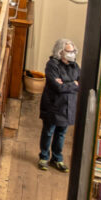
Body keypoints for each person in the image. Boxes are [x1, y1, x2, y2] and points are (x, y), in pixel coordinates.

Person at [39, 37, 80, 171]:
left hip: (68, 106)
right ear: (60, 52)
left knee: (61, 133)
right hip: (53, 105)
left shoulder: (75, 66)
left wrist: (67, 84)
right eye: (68, 51)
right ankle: (44, 157)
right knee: (49, 131)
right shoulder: (52, 65)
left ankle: (57, 159)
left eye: (73, 51)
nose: (72, 53)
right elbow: (57, 87)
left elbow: (80, 84)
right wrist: (72, 84)